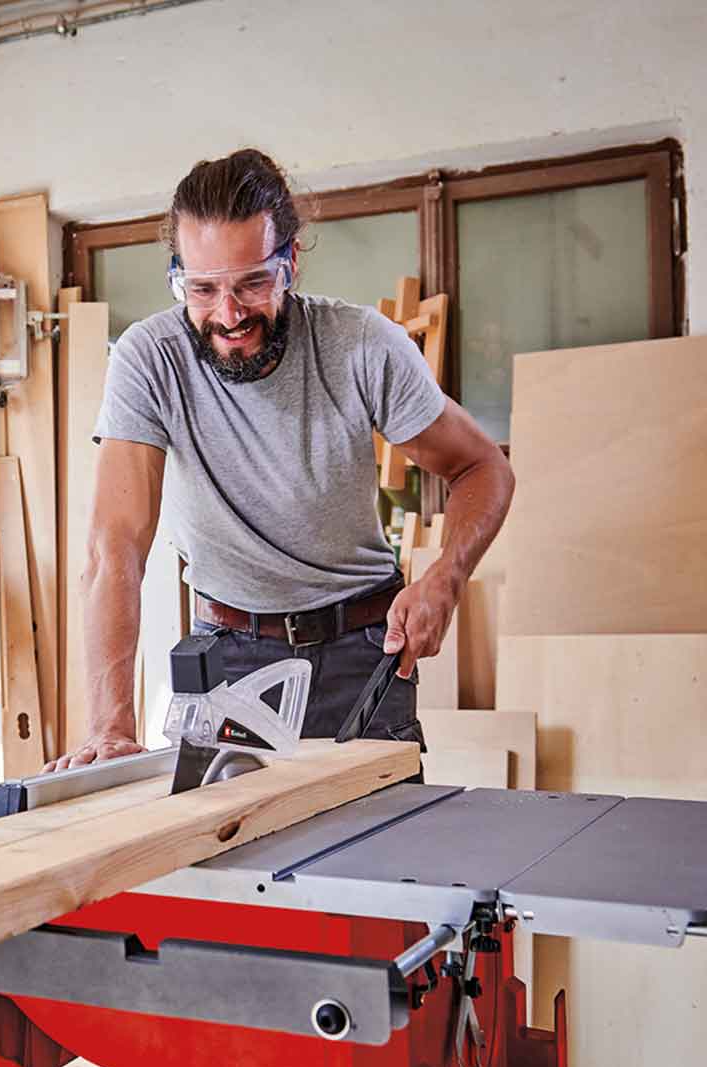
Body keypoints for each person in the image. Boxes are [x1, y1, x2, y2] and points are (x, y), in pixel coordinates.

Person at [47, 149, 513, 772]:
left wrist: (446, 579)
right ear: (178, 275)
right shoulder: (149, 360)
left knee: (373, 857)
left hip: (362, 651)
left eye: (252, 284)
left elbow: (483, 468)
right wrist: (110, 727)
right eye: (203, 289)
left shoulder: (361, 345)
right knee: (225, 856)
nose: (229, 316)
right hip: (230, 655)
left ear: (290, 262)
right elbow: (116, 551)